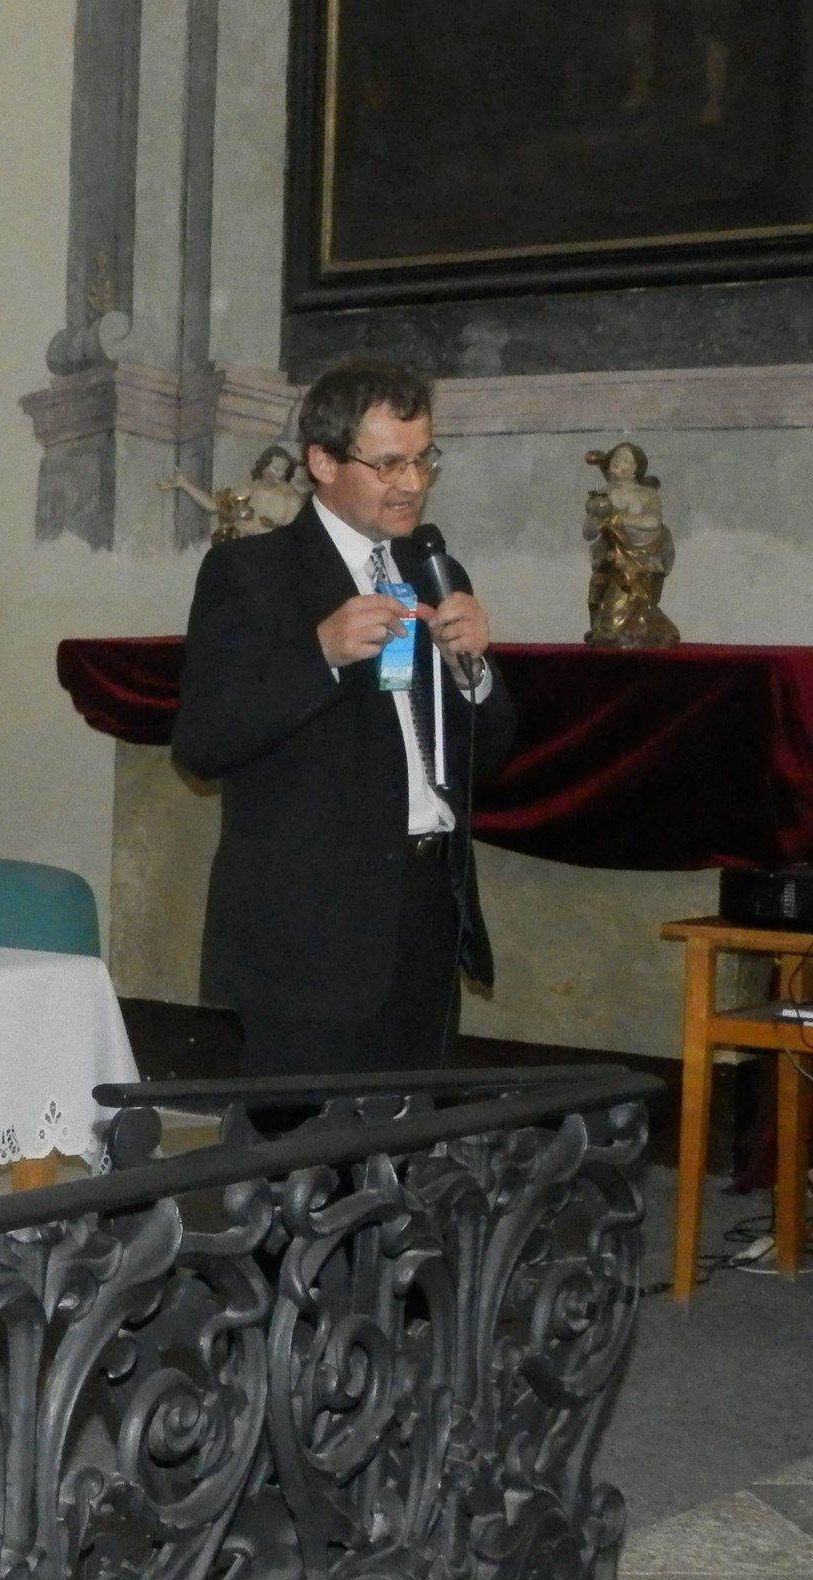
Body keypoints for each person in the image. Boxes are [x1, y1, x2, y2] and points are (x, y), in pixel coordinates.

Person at [172, 362, 515, 1079]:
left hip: (425, 913)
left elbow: (486, 757)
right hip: (310, 934)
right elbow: (203, 743)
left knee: (410, 1139)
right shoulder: (251, 572)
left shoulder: (434, 573)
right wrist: (320, 655)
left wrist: (474, 675)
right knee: (304, 1144)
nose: (412, 483)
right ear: (323, 462)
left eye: (423, 459)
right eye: (389, 463)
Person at [583, 441, 680, 648]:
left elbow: (652, 522)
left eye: (627, 459)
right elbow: (588, 533)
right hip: (609, 560)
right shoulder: (601, 495)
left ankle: (645, 630)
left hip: (638, 561)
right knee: (596, 601)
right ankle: (614, 630)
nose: (619, 461)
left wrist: (615, 519)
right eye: (616, 456)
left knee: (617, 619)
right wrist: (596, 517)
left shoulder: (645, 494)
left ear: (637, 469)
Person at [158, 445, 306, 543]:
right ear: (263, 466)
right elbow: (212, 505)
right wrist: (184, 484)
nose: (280, 474)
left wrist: (258, 530)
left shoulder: (290, 497)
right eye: (276, 469)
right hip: (246, 553)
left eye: (283, 470)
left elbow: (292, 538)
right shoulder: (246, 491)